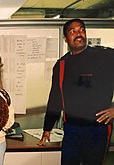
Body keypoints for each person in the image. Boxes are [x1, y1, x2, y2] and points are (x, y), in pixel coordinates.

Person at [38, 18, 114, 165]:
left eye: (81, 30)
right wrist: (47, 128)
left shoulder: (105, 57)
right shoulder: (61, 65)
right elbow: (55, 98)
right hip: (72, 130)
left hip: (98, 129)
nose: (79, 34)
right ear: (66, 38)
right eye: (73, 31)